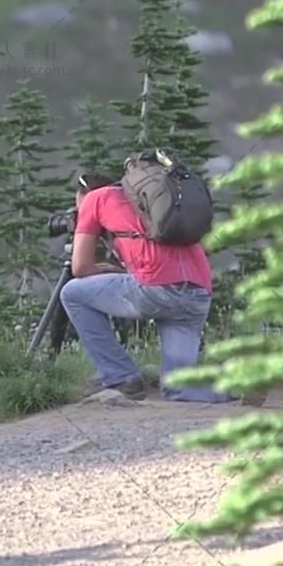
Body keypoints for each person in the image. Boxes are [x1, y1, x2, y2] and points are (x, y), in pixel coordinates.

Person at [60, 170, 237, 403]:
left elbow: (80, 267)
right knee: (178, 388)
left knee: (72, 293)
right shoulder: (149, 203)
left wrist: (104, 269)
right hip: (198, 293)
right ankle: (237, 389)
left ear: (84, 194)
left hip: (157, 289)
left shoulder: (96, 198)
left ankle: (121, 377)